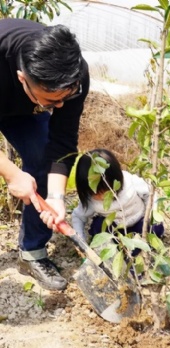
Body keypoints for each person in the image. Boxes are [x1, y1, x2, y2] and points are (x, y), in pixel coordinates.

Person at [0, 18, 89, 291]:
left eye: (65, 98)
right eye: (52, 102)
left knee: (41, 155)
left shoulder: (74, 74)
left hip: (18, 111)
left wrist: (56, 197)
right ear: (22, 78)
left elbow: (62, 141)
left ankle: (32, 253)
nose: (59, 106)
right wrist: (11, 173)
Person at [71, 148, 164, 255]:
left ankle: (134, 251)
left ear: (117, 179)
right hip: (115, 230)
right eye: (95, 193)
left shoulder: (131, 183)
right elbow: (78, 216)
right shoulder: (89, 199)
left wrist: (151, 215)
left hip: (138, 223)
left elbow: (150, 195)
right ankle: (114, 249)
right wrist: (80, 241)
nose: (101, 197)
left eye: (105, 191)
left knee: (155, 227)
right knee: (98, 225)